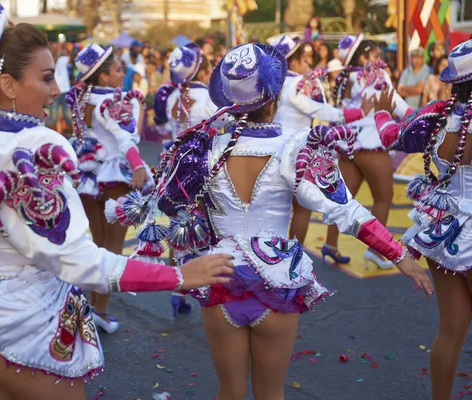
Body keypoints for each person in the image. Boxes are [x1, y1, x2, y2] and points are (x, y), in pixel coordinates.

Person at [0, 8, 235, 400]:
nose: (57, 89)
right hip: (25, 331)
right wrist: (181, 277)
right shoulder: (26, 152)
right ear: (8, 85)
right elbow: (81, 261)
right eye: (45, 78)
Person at [125, 42, 432, 400]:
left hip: (219, 279)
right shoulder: (294, 148)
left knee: (228, 393)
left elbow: (170, 205)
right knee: (272, 394)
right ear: (273, 101)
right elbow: (345, 210)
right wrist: (399, 255)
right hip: (277, 282)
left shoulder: (204, 149)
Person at [372, 38, 472, 400]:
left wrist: (382, 110)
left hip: (441, 229)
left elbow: (390, 135)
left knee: (451, 330)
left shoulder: (439, 117)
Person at [66, 44, 153, 334]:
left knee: (96, 244)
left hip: (88, 173)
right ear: (103, 77)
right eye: (117, 69)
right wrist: (139, 165)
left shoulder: (82, 98)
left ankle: (88, 308)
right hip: (115, 174)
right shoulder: (111, 101)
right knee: (112, 248)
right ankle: (99, 311)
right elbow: (126, 138)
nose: (123, 72)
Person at [152, 43, 228, 317]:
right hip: (202, 171)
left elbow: (162, 127)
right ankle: (208, 287)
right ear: (202, 68)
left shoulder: (172, 96)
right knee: (209, 228)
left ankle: (177, 290)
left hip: (174, 169)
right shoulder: (210, 100)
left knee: (178, 228)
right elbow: (225, 128)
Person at [325, 34, 413, 267]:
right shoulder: (377, 74)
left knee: (342, 200)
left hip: (348, 147)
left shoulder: (344, 78)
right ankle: (377, 252)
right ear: (363, 56)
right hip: (371, 145)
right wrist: (415, 117)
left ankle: (330, 245)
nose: (379, 59)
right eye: (375, 55)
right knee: (383, 198)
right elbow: (394, 101)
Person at [269, 35, 364, 245]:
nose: (308, 63)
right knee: (302, 210)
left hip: (271, 147)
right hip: (295, 151)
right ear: (293, 62)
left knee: (274, 210)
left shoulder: (274, 82)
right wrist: (345, 115)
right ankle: (292, 259)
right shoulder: (298, 81)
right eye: (304, 59)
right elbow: (314, 107)